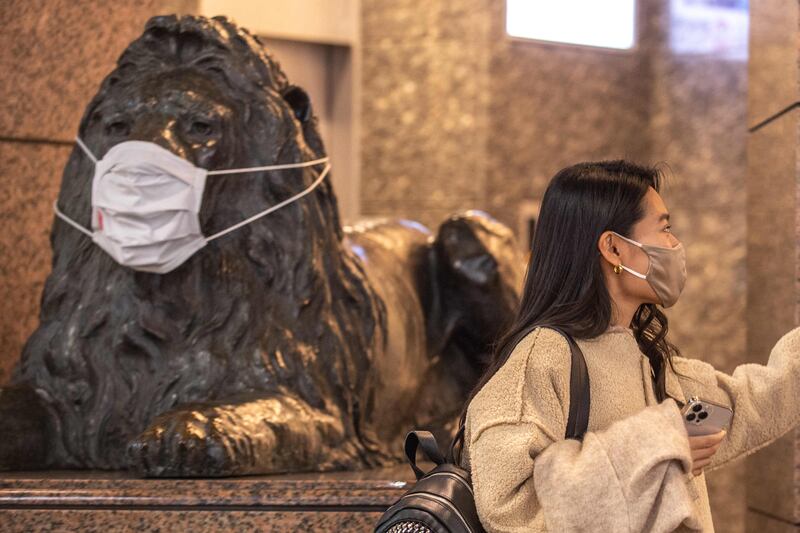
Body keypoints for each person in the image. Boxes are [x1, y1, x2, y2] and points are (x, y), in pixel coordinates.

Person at [460, 161, 800, 532]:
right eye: (665, 229)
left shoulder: (646, 357)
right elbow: (507, 507)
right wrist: (654, 446)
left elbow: (744, 405)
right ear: (614, 249)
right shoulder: (543, 357)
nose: (675, 246)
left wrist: (672, 442)